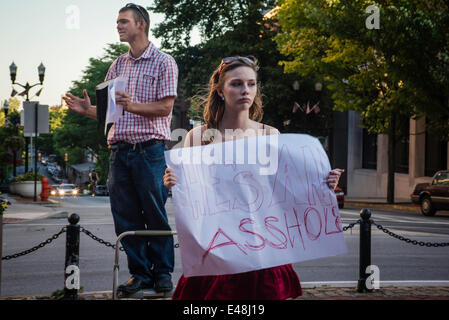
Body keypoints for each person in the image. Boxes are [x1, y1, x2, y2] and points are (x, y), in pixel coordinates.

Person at [164, 56, 344, 300]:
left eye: (251, 84)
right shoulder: (198, 137)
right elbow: (194, 195)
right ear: (220, 90)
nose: (245, 90)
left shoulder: (270, 135)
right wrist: (175, 181)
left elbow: (285, 190)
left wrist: (323, 183)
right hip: (218, 247)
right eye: (236, 84)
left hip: (262, 245)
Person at [63, 3, 178, 295]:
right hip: (119, 152)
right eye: (117, 22)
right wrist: (86, 110)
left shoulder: (164, 62)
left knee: (154, 213)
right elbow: (110, 114)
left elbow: (166, 107)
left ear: (141, 24)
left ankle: (162, 274)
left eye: (123, 21)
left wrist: (133, 105)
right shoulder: (117, 64)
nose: (118, 26)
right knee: (124, 217)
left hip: (149, 151)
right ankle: (139, 274)